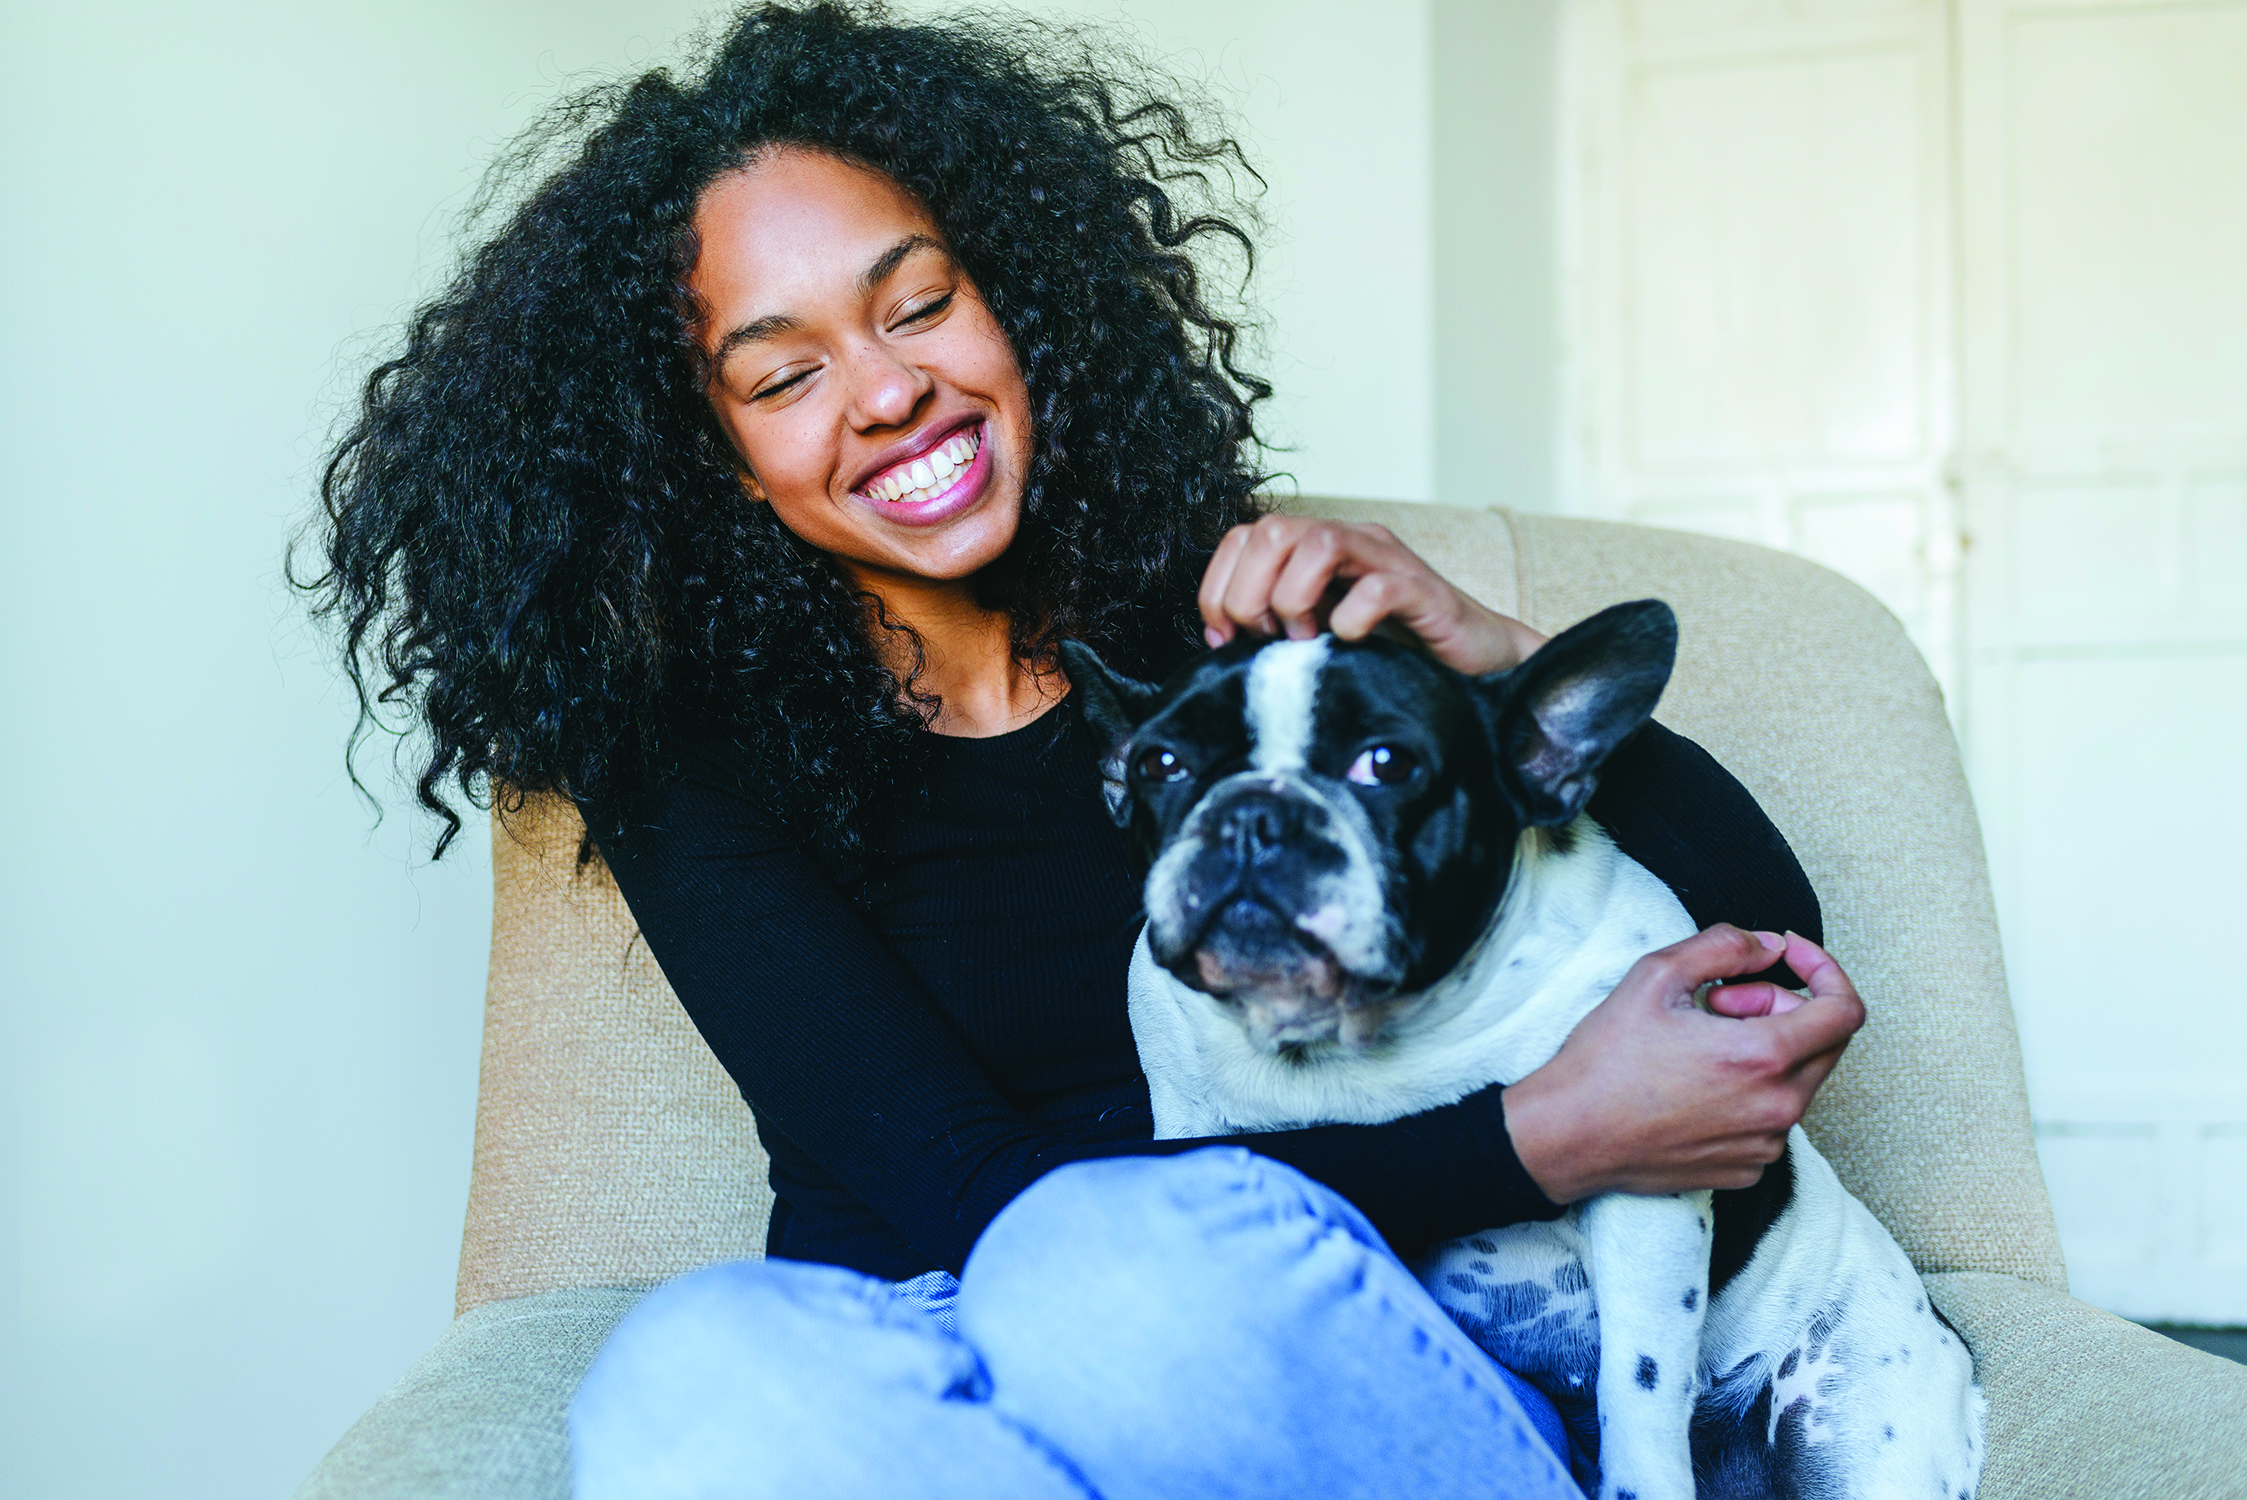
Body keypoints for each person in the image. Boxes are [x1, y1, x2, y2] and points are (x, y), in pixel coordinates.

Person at [305, 5, 1864, 1496]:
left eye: (920, 305)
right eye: (784, 376)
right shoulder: (681, 755)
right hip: (937, 1334)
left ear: (1024, 302)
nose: (889, 387)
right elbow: (972, 1204)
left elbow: (1760, 930)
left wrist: (1472, 645)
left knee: (1112, 1276)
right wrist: (1543, 1136)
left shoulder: (1241, 640)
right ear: (706, 460)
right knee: (691, 1362)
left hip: (1293, 1345)